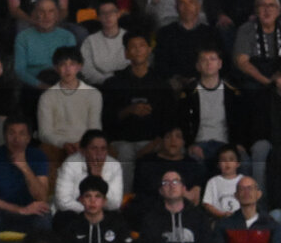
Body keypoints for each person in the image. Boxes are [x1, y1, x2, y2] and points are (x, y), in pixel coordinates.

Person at [102, 32, 172, 191]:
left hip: (153, 141)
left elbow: (169, 119)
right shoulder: (113, 83)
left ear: (149, 50)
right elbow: (106, 118)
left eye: (141, 46)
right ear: (126, 53)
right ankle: (124, 203)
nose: (138, 50)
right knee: (125, 154)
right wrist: (128, 110)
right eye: (133, 47)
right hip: (122, 142)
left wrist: (156, 142)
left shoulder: (161, 83)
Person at [0, 115, 51, 243]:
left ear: (29, 138)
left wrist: (24, 167)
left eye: (21, 133)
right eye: (11, 133)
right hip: (3, 213)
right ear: (5, 136)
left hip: (31, 214)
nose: (16, 139)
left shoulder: (38, 156)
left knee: (44, 214)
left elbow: (42, 197)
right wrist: (19, 209)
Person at [233, 0, 281, 187]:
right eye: (263, 6)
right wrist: (266, 81)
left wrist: (278, 79)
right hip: (255, 86)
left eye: (272, 6)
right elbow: (242, 61)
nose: (267, 10)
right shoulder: (247, 29)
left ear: (278, 10)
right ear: (256, 10)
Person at [177, 46, 244, 171]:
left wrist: (238, 144)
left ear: (220, 64)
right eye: (204, 60)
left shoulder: (232, 91)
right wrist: (190, 144)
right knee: (193, 164)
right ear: (198, 66)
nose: (208, 63)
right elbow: (182, 122)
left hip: (225, 143)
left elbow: (240, 120)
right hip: (199, 143)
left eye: (212, 59)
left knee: (244, 162)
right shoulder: (189, 92)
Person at [37, 46, 103, 170]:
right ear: (56, 68)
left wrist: (82, 144)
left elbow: (95, 128)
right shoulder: (47, 97)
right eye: (62, 65)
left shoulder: (93, 94)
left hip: (85, 143)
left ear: (79, 66)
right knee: (45, 152)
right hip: (56, 145)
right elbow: (44, 133)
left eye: (72, 64)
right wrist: (64, 144)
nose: (68, 69)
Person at [59, 175, 132, 243]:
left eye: (97, 196)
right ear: (81, 200)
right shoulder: (71, 227)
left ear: (104, 201)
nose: (92, 201)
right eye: (88, 196)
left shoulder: (117, 224)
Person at [152, 0, 218, 89]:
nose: (187, 7)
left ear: (198, 6)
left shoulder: (211, 33)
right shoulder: (165, 33)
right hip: (174, 84)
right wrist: (178, 79)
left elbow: (222, 63)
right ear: (176, 7)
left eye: (191, 2)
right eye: (182, 3)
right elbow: (160, 64)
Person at [13, 0, 76, 91]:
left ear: (57, 15)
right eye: (41, 12)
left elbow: (71, 67)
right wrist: (43, 87)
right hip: (34, 85)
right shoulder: (23, 37)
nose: (46, 16)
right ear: (34, 15)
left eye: (51, 12)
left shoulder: (68, 37)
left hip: (60, 83)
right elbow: (19, 70)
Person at [54, 130, 123, 215]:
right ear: (83, 151)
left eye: (103, 149)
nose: (99, 154)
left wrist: (99, 178)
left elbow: (115, 203)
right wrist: (90, 209)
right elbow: (62, 202)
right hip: (76, 213)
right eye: (94, 149)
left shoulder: (114, 165)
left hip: (104, 214)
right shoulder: (70, 164)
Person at [80, 2, 128, 86]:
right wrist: (106, 81)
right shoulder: (90, 41)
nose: (108, 16)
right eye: (103, 13)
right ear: (98, 18)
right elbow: (86, 68)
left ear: (118, 14)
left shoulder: (130, 37)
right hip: (100, 85)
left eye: (111, 12)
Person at [202, 144, 244, 219]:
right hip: (219, 220)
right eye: (223, 160)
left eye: (231, 159)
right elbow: (207, 204)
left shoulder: (244, 180)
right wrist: (221, 215)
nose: (227, 163)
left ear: (238, 163)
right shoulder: (213, 182)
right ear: (218, 164)